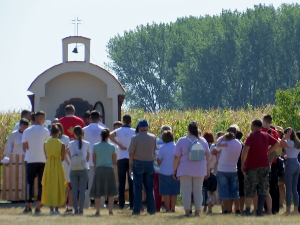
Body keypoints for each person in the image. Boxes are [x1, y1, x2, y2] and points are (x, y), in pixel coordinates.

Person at [241, 119, 279, 216]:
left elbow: (245, 150)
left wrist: (242, 163)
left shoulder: (251, 137)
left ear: (253, 126)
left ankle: (248, 210)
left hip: (252, 166)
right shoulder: (266, 135)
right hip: (265, 165)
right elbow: (277, 143)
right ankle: (260, 211)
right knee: (263, 188)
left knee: (250, 188)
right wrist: (268, 151)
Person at [173, 122, 210, 217]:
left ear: (188, 130)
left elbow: (177, 157)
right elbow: (207, 156)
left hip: (185, 169)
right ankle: (197, 211)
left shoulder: (182, 140)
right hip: (200, 168)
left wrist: (174, 170)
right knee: (198, 190)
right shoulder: (203, 141)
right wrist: (208, 170)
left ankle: (187, 211)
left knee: (186, 190)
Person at [22, 111, 50, 214]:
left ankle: (28, 205)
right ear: (41, 119)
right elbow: (46, 146)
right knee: (41, 184)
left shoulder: (27, 131)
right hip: (42, 159)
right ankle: (38, 206)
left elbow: (24, 147)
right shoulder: (46, 131)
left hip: (30, 159)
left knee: (29, 183)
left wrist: (31, 149)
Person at [128, 119, 157, 215]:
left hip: (138, 163)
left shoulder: (135, 138)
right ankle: (151, 209)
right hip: (149, 164)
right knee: (149, 188)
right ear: (147, 127)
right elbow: (154, 151)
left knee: (138, 188)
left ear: (139, 127)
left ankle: (136, 210)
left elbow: (131, 153)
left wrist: (130, 165)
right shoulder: (153, 137)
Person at [212, 127, 242, 214]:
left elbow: (214, 152)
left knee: (224, 190)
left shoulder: (223, 142)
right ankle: (237, 208)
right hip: (233, 168)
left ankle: (227, 209)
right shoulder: (238, 143)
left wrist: (221, 139)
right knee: (234, 190)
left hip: (222, 169)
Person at [110, 115, 136, 210]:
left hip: (121, 157)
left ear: (123, 121)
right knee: (131, 181)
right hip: (131, 157)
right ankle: (132, 204)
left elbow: (109, 135)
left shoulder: (118, 130)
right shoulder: (134, 131)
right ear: (130, 121)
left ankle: (121, 204)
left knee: (121, 181)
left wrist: (119, 144)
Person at [90, 128, 118, 216]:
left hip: (99, 169)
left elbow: (94, 160)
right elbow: (114, 161)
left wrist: (96, 167)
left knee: (98, 191)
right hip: (109, 169)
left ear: (100, 135)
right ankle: (110, 211)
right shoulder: (112, 146)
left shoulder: (95, 146)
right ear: (109, 136)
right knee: (111, 191)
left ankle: (97, 211)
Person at [41, 124, 66, 214]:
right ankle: (56, 208)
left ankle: (51, 208)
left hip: (49, 165)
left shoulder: (45, 143)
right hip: (58, 165)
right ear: (58, 132)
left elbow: (46, 155)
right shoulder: (61, 144)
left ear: (50, 133)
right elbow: (63, 158)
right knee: (58, 186)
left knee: (50, 186)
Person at [82, 110, 104, 208]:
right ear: (99, 119)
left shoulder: (84, 130)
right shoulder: (103, 130)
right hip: (100, 160)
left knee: (88, 184)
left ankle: (86, 204)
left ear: (90, 118)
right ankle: (101, 203)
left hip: (88, 160)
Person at [4, 119, 29, 199]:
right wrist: (7, 158)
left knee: (25, 178)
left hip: (26, 159)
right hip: (15, 160)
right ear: (20, 125)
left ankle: (24, 196)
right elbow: (8, 148)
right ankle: (14, 197)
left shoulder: (28, 135)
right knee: (15, 178)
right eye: (24, 126)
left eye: (26, 126)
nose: (25, 128)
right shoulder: (13, 135)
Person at [68, 126, 90, 215]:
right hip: (84, 167)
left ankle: (75, 209)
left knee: (74, 189)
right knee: (82, 189)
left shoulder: (70, 143)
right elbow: (88, 158)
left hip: (73, 168)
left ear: (74, 133)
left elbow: (69, 155)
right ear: (82, 133)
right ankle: (81, 209)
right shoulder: (87, 144)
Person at [157, 130, 179, 212]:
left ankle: (167, 208)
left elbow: (159, 160)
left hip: (164, 172)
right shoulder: (176, 146)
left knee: (165, 192)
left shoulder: (162, 147)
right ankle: (173, 208)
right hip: (175, 172)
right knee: (174, 192)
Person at [261, 115, 279, 214]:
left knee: (263, 187)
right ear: (271, 122)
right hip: (272, 161)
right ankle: (273, 208)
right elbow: (276, 144)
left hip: (263, 161)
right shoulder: (275, 132)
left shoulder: (260, 131)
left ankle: (264, 207)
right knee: (272, 186)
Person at [280, 128, 300, 214]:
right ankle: (295, 210)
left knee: (288, 188)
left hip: (290, 164)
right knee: (294, 189)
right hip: (297, 163)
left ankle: (288, 210)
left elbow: (279, 144)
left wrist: (285, 137)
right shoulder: (297, 142)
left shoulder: (290, 142)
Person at [154, 125, 172, 212]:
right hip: (170, 170)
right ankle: (170, 207)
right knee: (170, 190)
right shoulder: (172, 143)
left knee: (157, 190)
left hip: (157, 169)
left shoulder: (156, 141)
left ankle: (157, 207)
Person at [56, 123, 72, 213]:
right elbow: (68, 150)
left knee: (59, 183)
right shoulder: (66, 138)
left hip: (58, 161)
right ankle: (64, 203)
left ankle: (59, 203)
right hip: (66, 161)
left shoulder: (52, 139)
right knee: (66, 183)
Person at [202, 131, 218, 214]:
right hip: (215, 170)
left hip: (208, 170)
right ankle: (207, 207)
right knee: (213, 190)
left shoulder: (207, 147)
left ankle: (207, 207)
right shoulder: (215, 146)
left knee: (208, 190)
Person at [235, 131, 245, 213]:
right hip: (242, 169)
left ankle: (236, 208)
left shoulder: (234, 145)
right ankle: (241, 208)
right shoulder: (243, 145)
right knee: (241, 190)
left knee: (235, 189)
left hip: (235, 168)